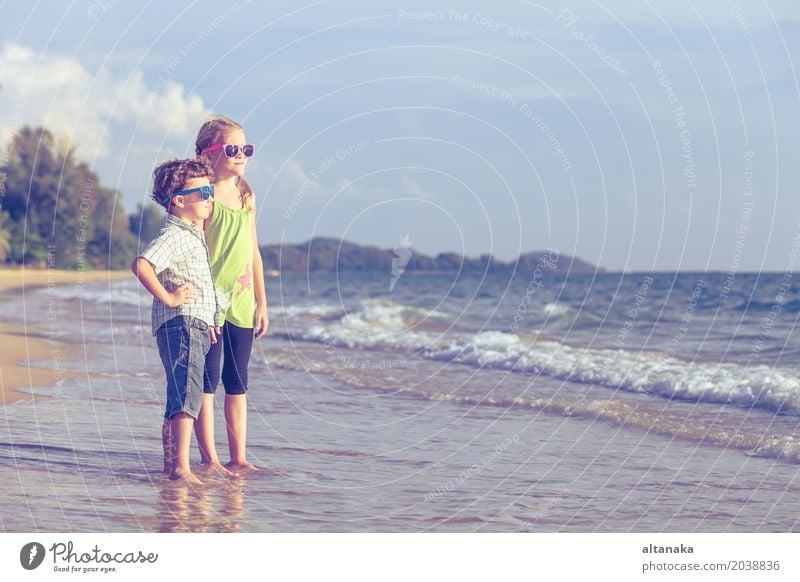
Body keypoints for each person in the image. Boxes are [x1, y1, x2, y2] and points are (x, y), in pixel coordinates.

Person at [131, 158, 224, 484]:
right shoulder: (175, 235)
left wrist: (210, 317)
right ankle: (180, 468)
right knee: (186, 394)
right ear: (179, 201)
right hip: (182, 322)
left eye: (211, 190)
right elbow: (142, 265)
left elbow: (200, 282)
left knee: (181, 393)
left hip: (193, 321)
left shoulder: (193, 235)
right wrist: (169, 298)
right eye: (204, 192)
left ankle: (172, 466)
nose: (210, 197)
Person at [194, 115, 269, 472]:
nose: (242, 155)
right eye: (233, 149)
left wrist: (262, 302)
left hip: (242, 304)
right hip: (208, 305)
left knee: (237, 383)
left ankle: (238, 458)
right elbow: (192, 251)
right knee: (207, 382)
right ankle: (210, 460)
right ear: (210, 155)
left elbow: (253, 251)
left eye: (246, 148)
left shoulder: (247, 195)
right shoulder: (203, 197)